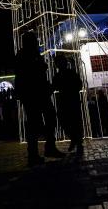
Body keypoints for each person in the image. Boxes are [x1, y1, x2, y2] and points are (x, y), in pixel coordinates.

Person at [14, 31, 64, 166]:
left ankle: (47, 149)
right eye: (34, 40)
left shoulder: (31, 54)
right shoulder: (24, 55)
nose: (37, 42)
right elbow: (27, 74)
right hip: (33, 94)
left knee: (48, 119)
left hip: (38, 92)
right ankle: (35, 154)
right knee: (35, 124)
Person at [52, 54, 84, 154]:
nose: (58, 64)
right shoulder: (59, 75)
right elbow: (54, 86)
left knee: (73, 123)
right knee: (67, 123)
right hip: (66, 102)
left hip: (70, 101)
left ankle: (77, 142)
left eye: (59, 62)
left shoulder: (70, 73)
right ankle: (75, 140)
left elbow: (79, 84)